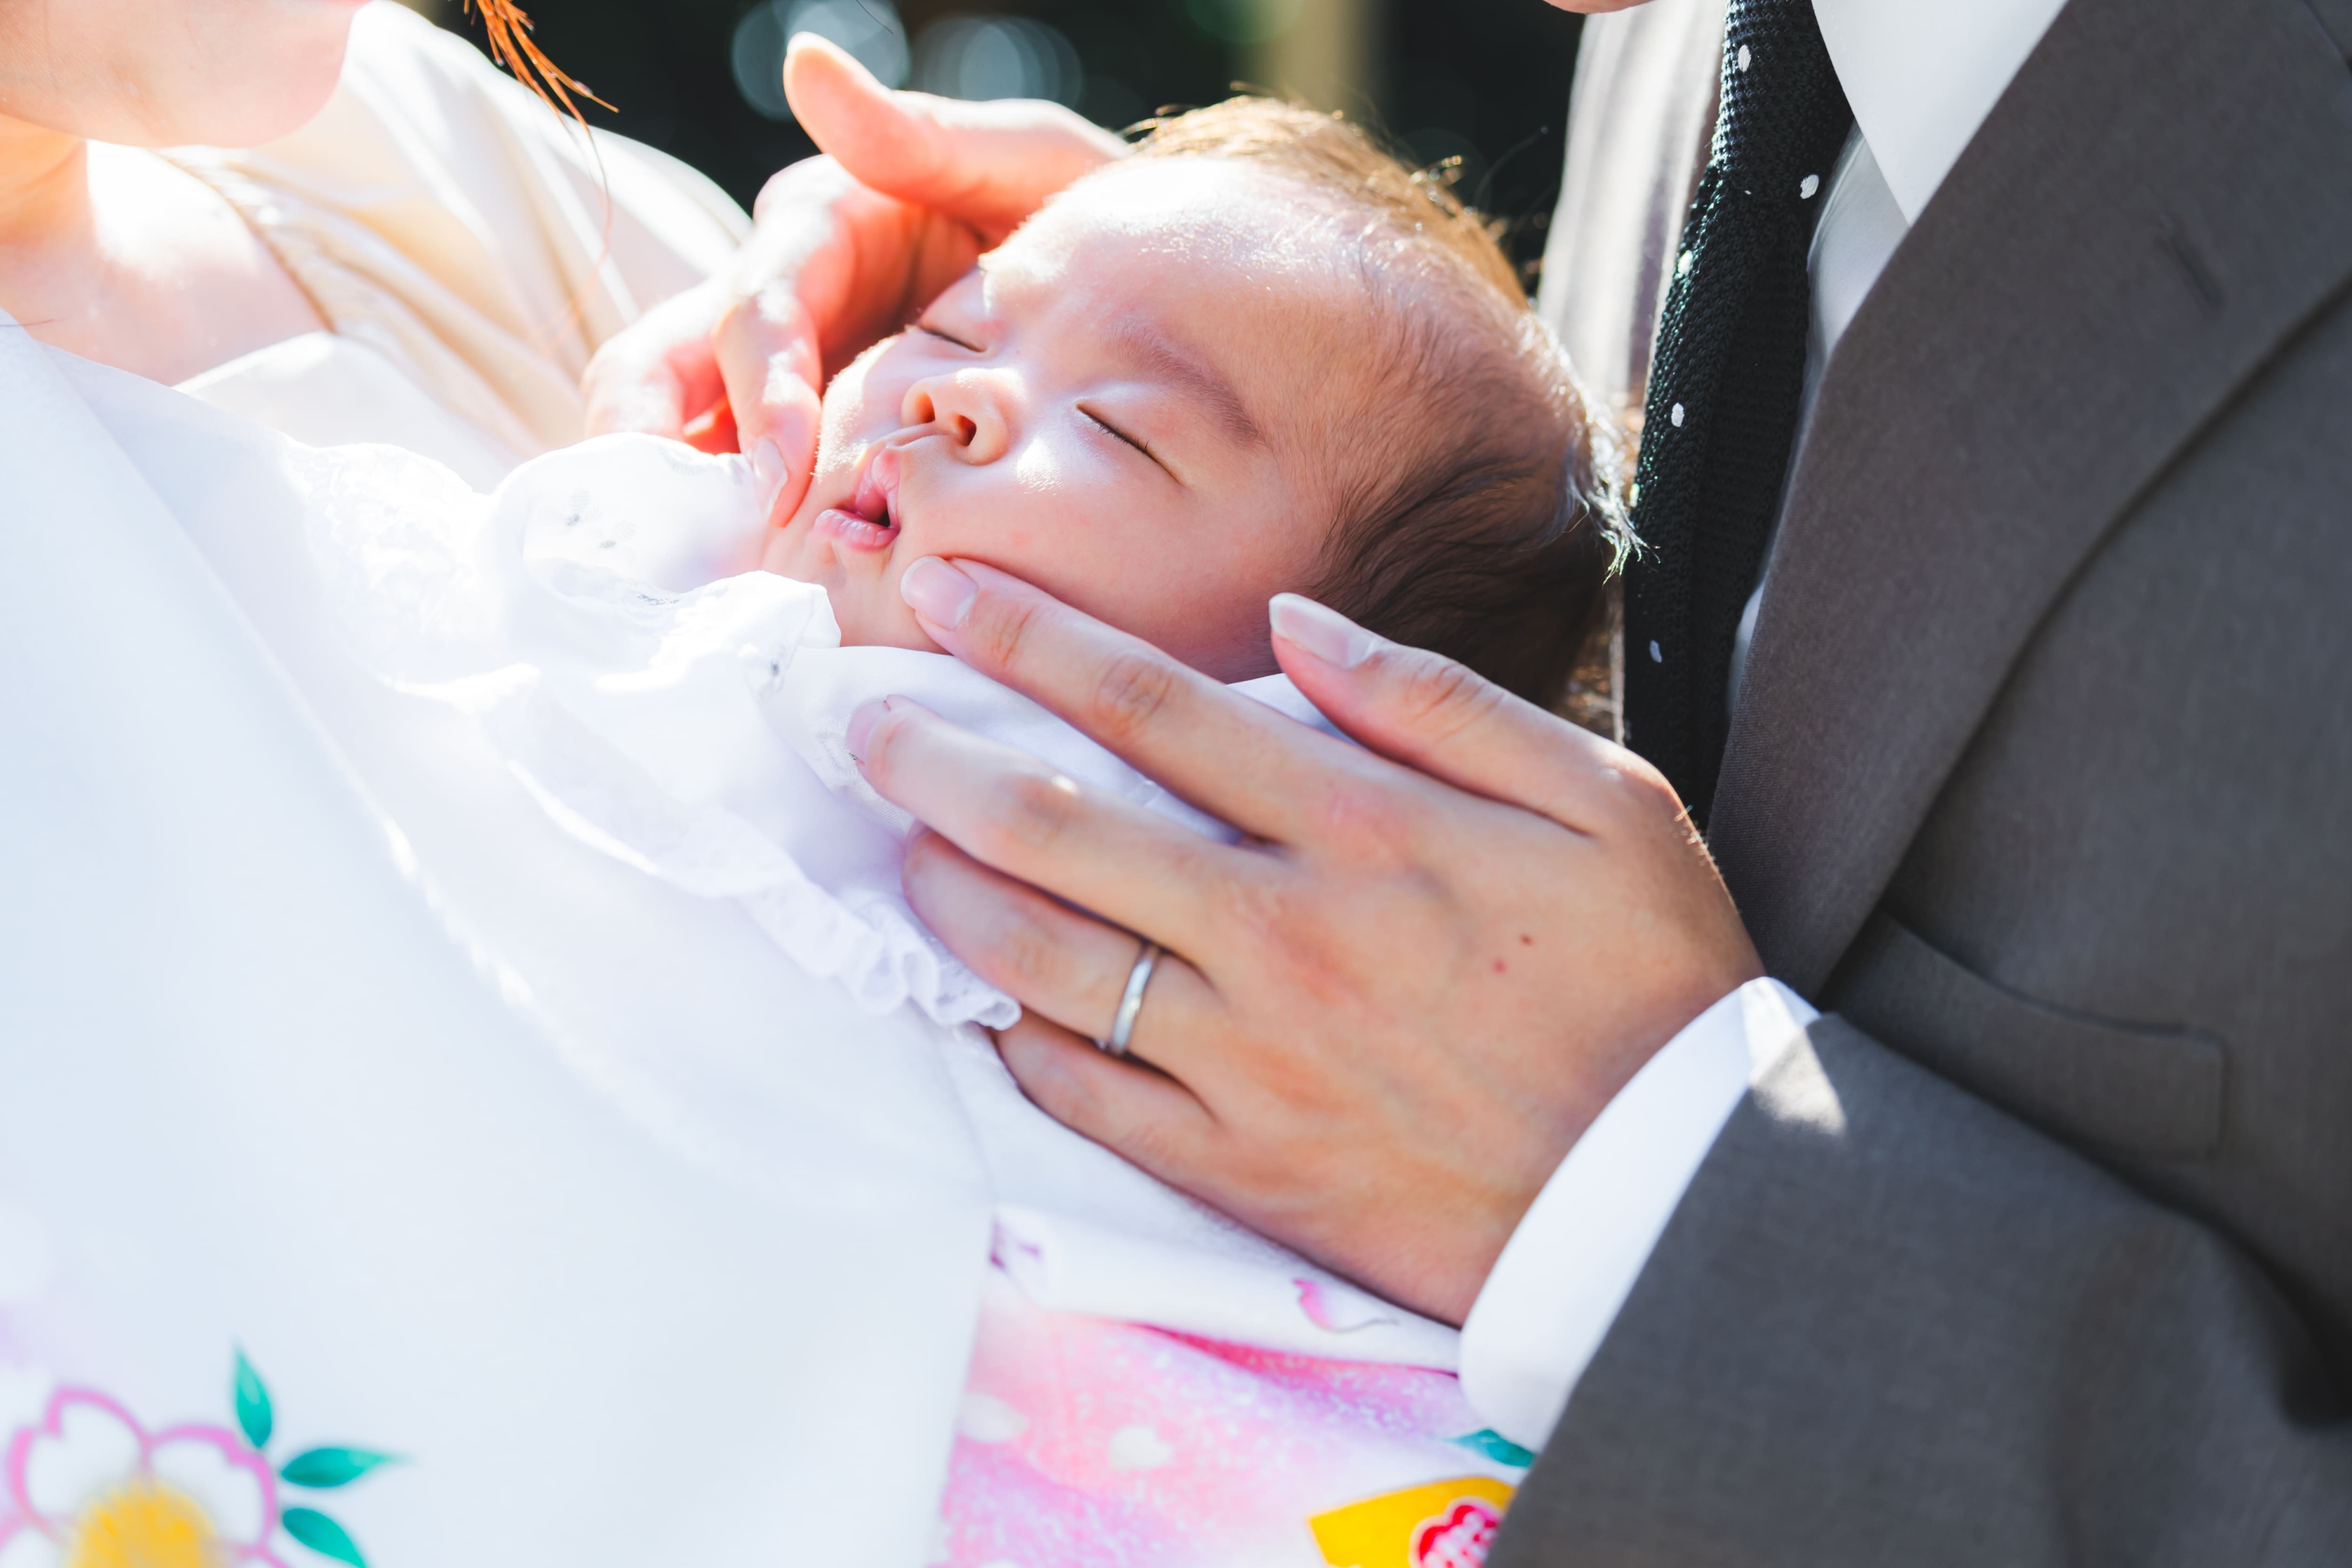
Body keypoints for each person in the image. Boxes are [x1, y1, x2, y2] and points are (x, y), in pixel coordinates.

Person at [593, 0, 2352, 1558]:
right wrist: (1130, 322)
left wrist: (1645, 1184)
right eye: (970, 335)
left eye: (1117, 423)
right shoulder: (1694, 40)